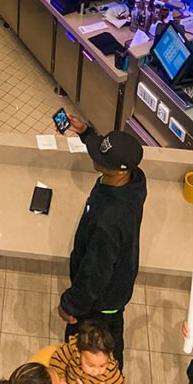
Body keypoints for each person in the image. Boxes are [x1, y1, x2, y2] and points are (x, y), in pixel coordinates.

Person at [58, 117, 146, 368]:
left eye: (102, 157)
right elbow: (105, 153)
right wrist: (86, 133)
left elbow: (95, 273)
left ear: (119, 170)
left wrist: (70, 304)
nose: (95, 157)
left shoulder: (109, 219)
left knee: (95, 351)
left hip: (101, 302)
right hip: (118, 285)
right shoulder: (136, 179)